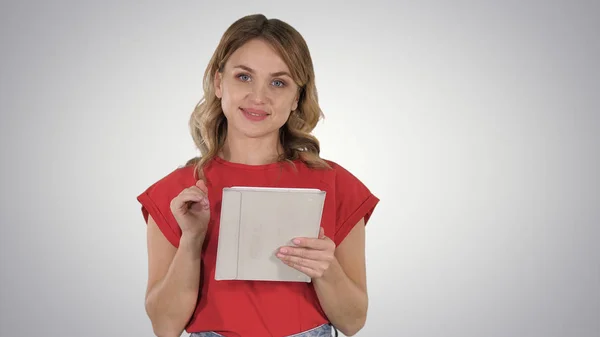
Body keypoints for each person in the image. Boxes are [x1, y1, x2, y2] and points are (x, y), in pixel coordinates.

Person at [136, 13, 379, 337]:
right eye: (244, 77)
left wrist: (326, 268)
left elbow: (353, 321)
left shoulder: (336, 185)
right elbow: (165, 327)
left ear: (296, 98)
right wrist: (191, 241)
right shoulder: (178, 193)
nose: (259, 97)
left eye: (278, 82)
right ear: (219, 82)